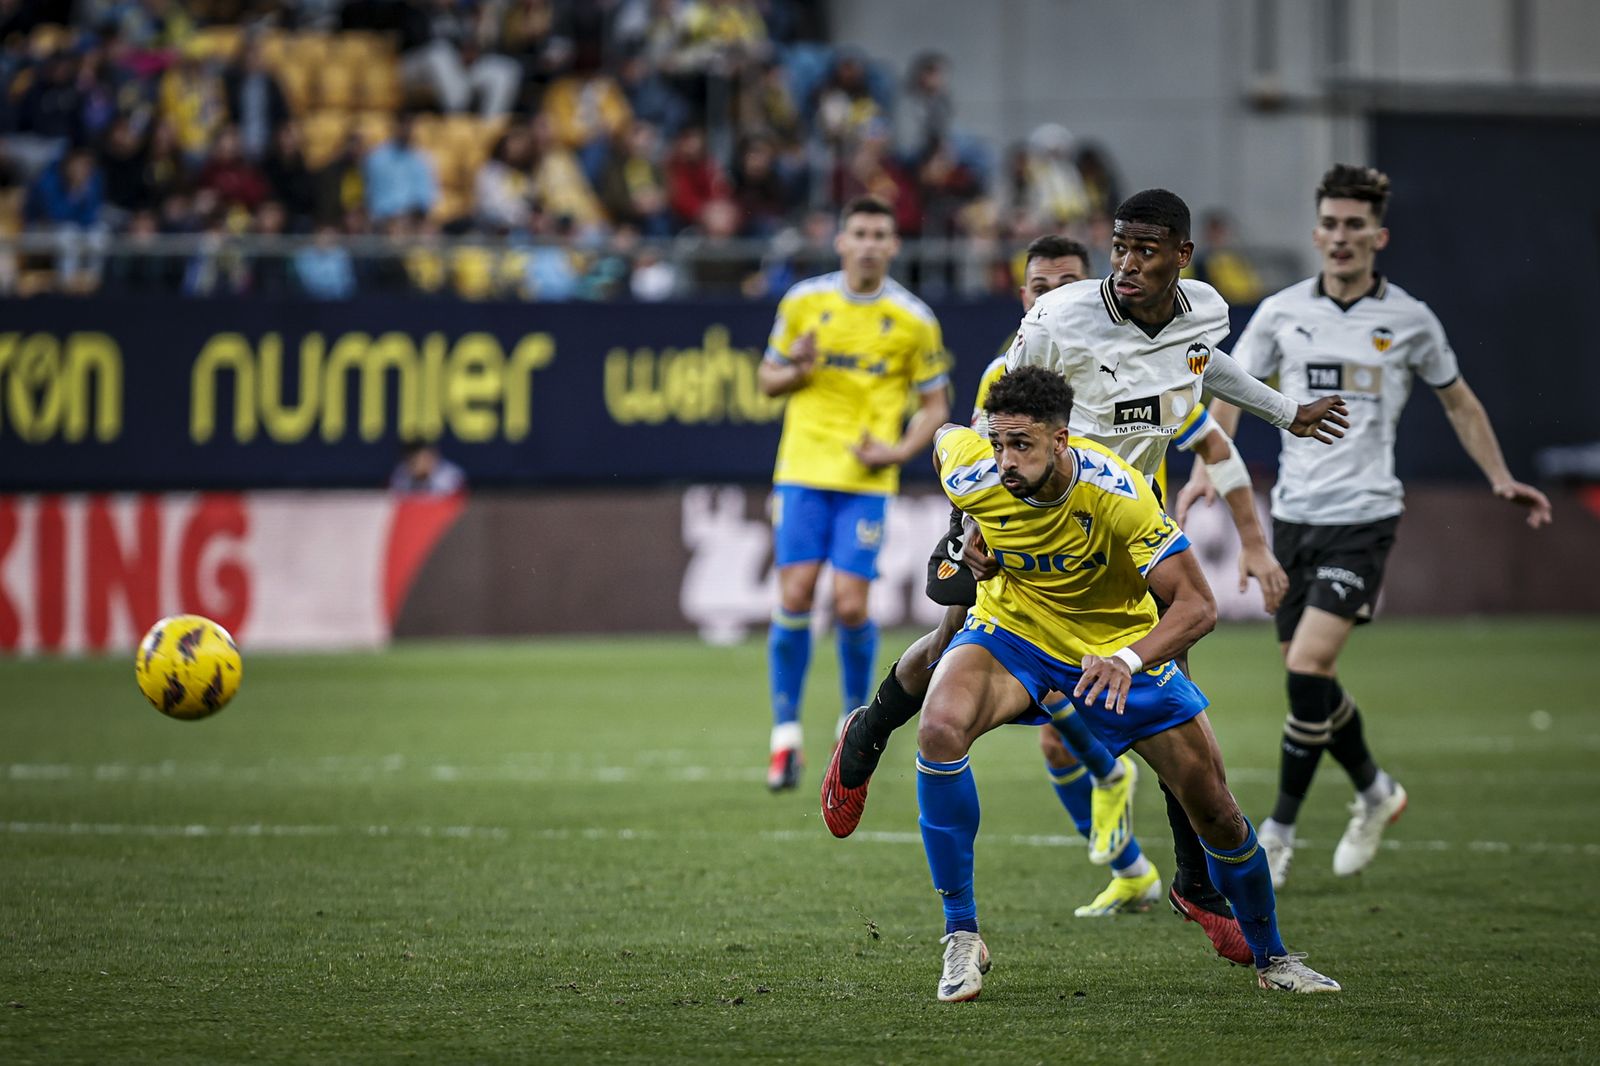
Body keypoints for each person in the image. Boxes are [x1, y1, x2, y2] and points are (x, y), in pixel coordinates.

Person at [822, 190, 1349, 963]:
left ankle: (1195, 885)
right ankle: (867, 737)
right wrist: (971, 528)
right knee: (950, 647)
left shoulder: (1197, 317)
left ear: (1178, 256)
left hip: (1128, 533)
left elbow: (1207, 365)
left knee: (1182, 728)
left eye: (1141, 252)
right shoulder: (1051, 332)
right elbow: (984, 435)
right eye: (1116, 252)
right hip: (1028, 521)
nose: (1122, 268)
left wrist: (1285, 413)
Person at [1177, 164, 1554, 888]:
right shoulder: (1283, 312)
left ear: (1378, 236)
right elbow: (1223, 392)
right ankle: (1377, 792)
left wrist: (1500, 477)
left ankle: (1279, 832)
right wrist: (1203, 466)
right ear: (1316, 232)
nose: (1342, 237)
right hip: (1294, 516)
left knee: (1306, 667)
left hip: (1367, 516)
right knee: (1310, 682)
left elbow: (1461, 403)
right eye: (1331, 224)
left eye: (1356, 226)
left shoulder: (1410, 320)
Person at [919, 365, 1340, 1001]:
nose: (1005, 461)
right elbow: (946, 436)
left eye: (1022, 446)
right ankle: (960, 935)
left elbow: (1198, 606)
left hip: (1117, 651)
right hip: (1016, 635)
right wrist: (966, 532)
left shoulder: (1117, 492)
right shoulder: (974, 467)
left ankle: (1273, 957)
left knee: (1218, 814)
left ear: (1062, 440)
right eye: (999, 443)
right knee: (938, 727)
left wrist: (1128, 659)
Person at [758, 195, 951, 791]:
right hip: (802, 469)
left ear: (893, 246)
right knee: (794, 591)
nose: (868, 244)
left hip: (866, 479)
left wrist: (896, 452)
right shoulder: (804, 302)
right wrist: (798, 370)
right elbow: (767, 379)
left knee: (849, 603)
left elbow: (935, 408)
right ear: (841, 241)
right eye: (859, 233)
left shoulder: (914, 320)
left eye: (879, 235)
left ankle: (851, 723)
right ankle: (784, 736)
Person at [390, 441, 467, 495]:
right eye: (410, 459)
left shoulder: (450, 476)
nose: (414, 463)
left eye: (419, 458)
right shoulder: (400, 474)